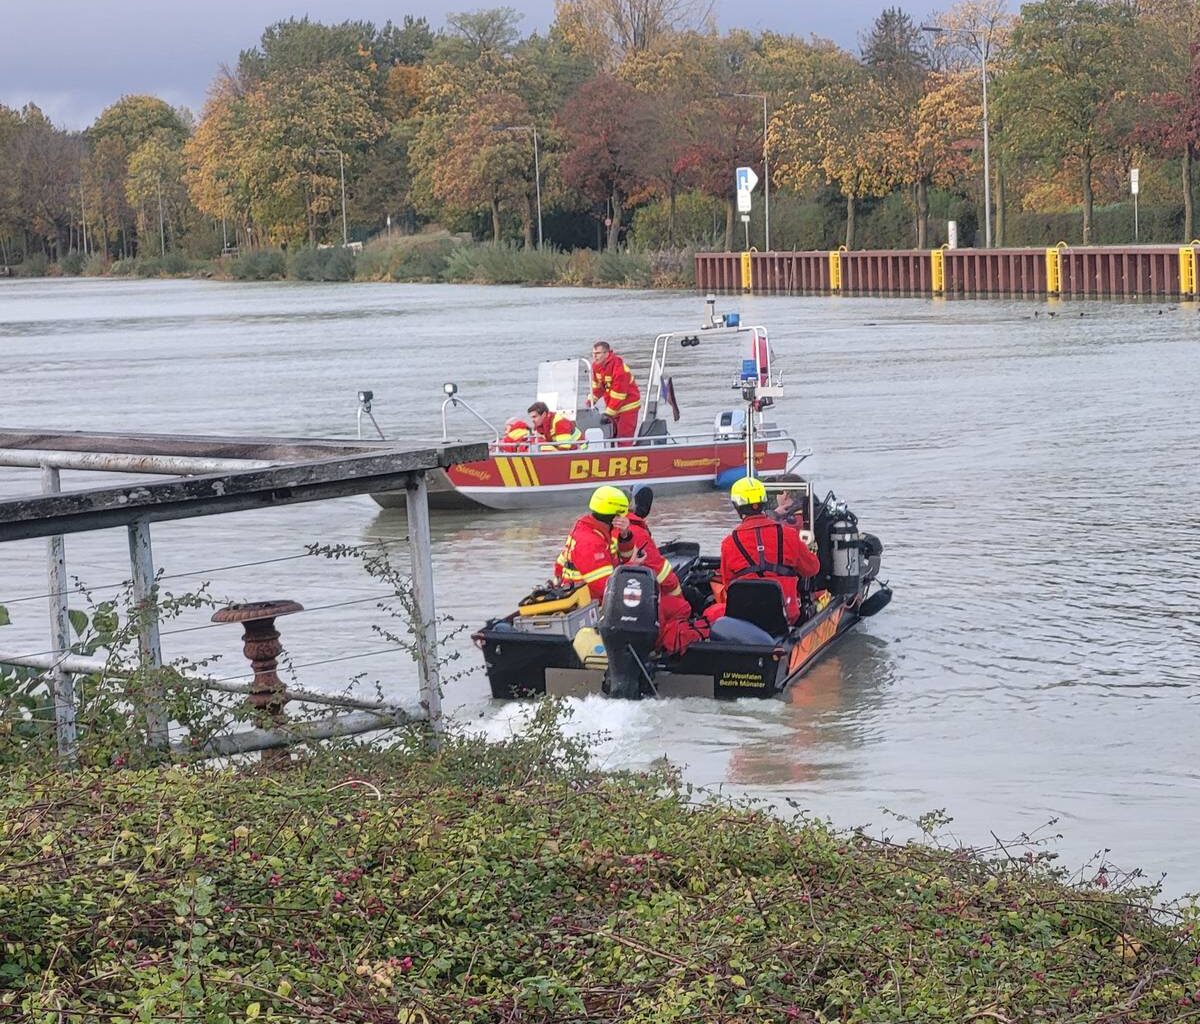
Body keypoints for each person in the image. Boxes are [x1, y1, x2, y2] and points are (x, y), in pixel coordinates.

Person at [719, 476, 820, 624]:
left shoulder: (729, 543)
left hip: (745, 619)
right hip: (787, 617)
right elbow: (812, 569)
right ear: (764, 502)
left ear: (736, 506)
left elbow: (728, 584)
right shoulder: (789, 535)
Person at [553, 485, 630, 602]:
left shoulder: (594, 529)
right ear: (615, 515)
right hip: (587, 602)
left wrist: (625, 535)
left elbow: (624, 557)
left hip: (583, 595)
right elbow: (606, 588)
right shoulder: (591, 543)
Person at [616, 485, 682, 598]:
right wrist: (679, 597)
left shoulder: (610, 528)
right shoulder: (636, 531)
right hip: (643, 592)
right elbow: (663, 574)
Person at [586, 341, 641, 443]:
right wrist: (589, 403)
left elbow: (619, 395)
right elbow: (597, 388)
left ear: (607, 354)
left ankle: (625, 452)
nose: (594, 356)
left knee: (624, 439)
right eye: (593, 353)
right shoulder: (596, 367)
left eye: (598, 353)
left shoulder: (619, 369)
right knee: (612, 437)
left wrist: (608, 414)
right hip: (613, 407)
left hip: (628, 407)